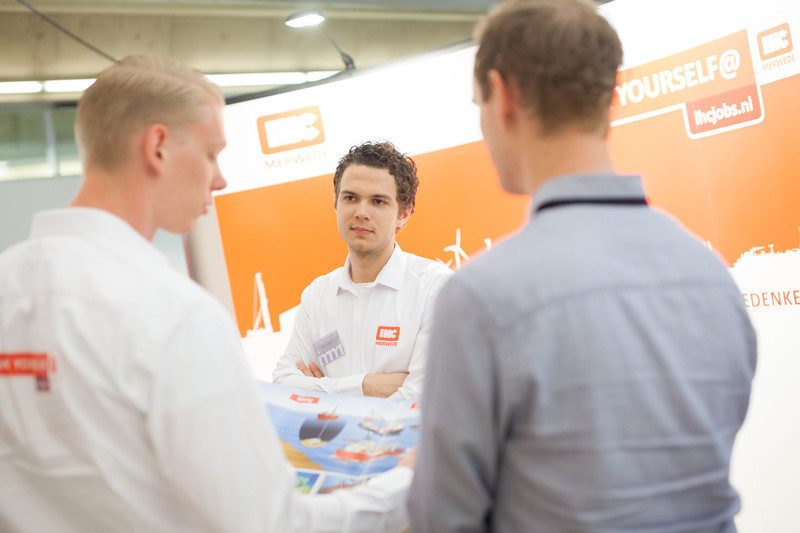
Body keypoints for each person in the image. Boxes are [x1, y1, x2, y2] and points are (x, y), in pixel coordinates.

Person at [0, 55, 413, 533]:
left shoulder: (8, 284)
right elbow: (269, 525)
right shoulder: (176, 316)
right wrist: (405, 483)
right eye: (211, 153)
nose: (220, 179)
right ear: (158, 147)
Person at [408, 1, 757, 531]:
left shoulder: (482, 297)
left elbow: (444, 519)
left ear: (503, 96)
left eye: (478, 103)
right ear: (609, 97)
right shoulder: (712, 276)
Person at [272, 141, 452, 400]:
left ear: (404, 213)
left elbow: (424, 396)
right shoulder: (317, 295)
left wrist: (325, 392)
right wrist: (368, 385)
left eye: (378, 201)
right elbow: (283, 384)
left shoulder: (435, 289)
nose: (361, 212)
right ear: (336, 203)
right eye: (350, 198)